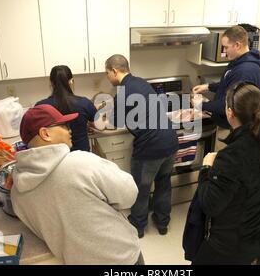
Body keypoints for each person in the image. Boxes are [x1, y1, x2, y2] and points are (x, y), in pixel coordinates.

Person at [10, 104, 143, 264]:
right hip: (120, 257)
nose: (70, 130)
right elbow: (129, 195)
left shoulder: (17, 191)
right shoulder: (80, 162)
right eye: (64, 126)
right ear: (45, 133)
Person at [191, 82, 260, 265]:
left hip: (227, 247)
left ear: (230, 113)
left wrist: (207, 168)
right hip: (254, 241)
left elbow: (210, 204)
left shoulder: (231, 156)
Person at [103, 54, 179, 238]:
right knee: (163, 184)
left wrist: (105, 114)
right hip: (169, 141)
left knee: (141, 188)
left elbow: (116, 121)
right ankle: (162, 223)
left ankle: (138, 226)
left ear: (114, 71)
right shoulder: (142, 82)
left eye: (107, 73)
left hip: (150, 147)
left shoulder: (123, 91)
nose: (108, 78)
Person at [192, 26, 260, 150]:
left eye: (226, 47)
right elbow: (228, 84)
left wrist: (201, 105)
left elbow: (229, 104)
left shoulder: (245, 71)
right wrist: (208, 86)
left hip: (235, 126)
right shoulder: (238, 62)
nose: (224, 52)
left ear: (237, 45)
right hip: (228, 121)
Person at [36, 65, 97, 152]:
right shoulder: (85, 103)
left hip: (56, 157)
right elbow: (97, 124)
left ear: (51, 83)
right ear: (71, 81)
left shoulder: (41, 107)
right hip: (82, 155)